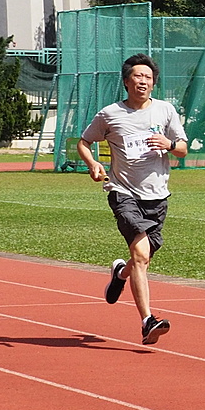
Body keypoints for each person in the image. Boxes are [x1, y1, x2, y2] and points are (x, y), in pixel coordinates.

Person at [77, 53, 187, 346]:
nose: (143, 81)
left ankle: (120, 274)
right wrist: (93, 164)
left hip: (158, 196)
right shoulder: (110, 114)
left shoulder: (165, 110)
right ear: (126, 82)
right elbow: (84, 142)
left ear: (154, 83)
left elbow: (182, 149)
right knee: (140, 255)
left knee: (143, 258)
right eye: (138, 76)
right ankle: (147, 321)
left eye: (148, 77)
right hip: (123, 192)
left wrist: (169, 144)